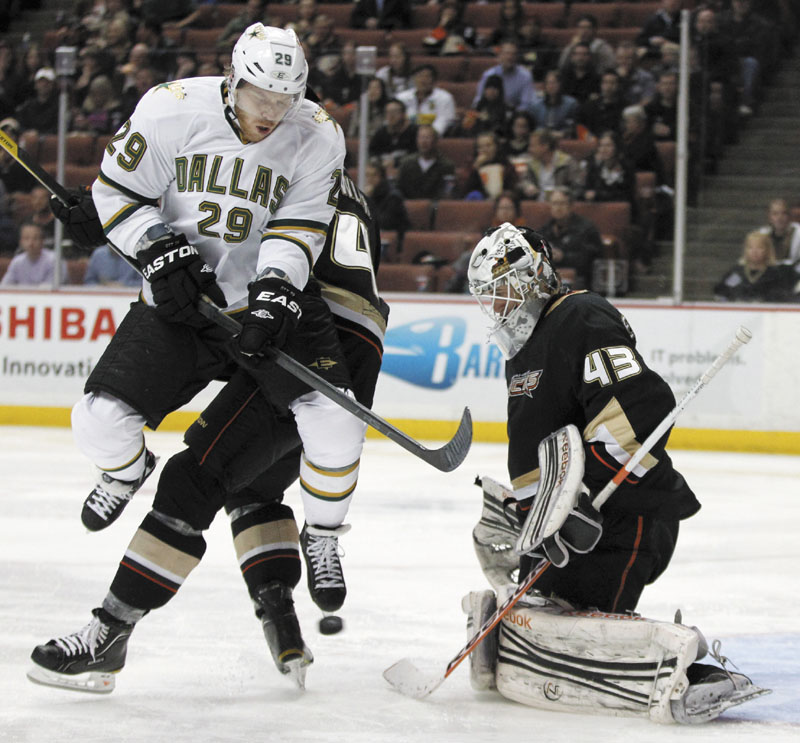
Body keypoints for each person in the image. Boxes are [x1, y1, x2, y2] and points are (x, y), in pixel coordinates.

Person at [48, 24, 367, 635]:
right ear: (232, 79)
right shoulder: (171, 109)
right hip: (183, 303)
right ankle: (124, 471)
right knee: (97, 420)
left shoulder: (318, 133)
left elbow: (299, 227)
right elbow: (115, 193)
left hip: (267, 303)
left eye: (283, 100)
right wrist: (158, 247)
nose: (270, 114)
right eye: (258, 98)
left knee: (336, 419)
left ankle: (324, 533)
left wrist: (274, 294)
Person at [28, 172, 388, 693]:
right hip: (350, 338)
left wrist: (106, 217)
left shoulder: (279, 166)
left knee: (194, 480)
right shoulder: (350, 186)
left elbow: (208, 224)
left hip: (297, 331)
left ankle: (110, 632)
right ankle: (280, 615)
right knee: (254, 482)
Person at [463, 222, 766, 723]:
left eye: (505, 292)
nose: (498, 308)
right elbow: (541, 451)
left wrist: (579, 495)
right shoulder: (519, 354)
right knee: (542, 610)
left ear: (536, 276)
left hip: (625, 515)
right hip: (576, 522)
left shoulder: (582, 317)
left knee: (587, 622)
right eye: (489, 299)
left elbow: (640, 410)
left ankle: (697, 676)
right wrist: (527, 519)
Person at [538, 186, 603, 288]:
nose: (558, 208)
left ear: (571, 206)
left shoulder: (586, 228)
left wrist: (563, 257)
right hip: (548, 281)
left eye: (562, 203)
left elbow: (591, 257)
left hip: (580, 280)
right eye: (554, 203)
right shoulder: (544, 230)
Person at [471, 40, 538, 112]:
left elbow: (526, 104)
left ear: (517, 57)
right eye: (507, 53)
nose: (510, 57)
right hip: (491, 114)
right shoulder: (489, 75)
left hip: (514, 115)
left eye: (513, 54)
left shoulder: (525, 76)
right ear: (499, 55)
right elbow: (478, 99)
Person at [517, 128, 582, 202]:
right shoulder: (532, 163)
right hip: (539, 205)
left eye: (532, 146)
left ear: (545, 146)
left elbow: (578, 188)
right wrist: (527, 186)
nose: (529, 149)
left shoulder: (567, 162)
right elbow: (524, 181)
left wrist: (563, 194)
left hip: (561, 206)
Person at [395, 124, 455, 200]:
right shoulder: (406, 164)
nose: (424, 141)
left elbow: (448, 192)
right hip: (409, 208)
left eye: (427, 138)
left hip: (435, 208)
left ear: (435, 141)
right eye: (421, 137)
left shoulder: (447, 166)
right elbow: (398, 189)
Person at [396, 64, 457, 137]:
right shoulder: (401, 97)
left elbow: (443, 122)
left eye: (427, 77)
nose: (423, 80)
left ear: (434, 81)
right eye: (419, 76)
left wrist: (425, 136)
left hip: (432, 139)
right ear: (414, 79)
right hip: (405, 137)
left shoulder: (445, 98)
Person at [459, 131, 517, 201]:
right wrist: (475, 167)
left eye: (488, 145)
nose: (484, 150)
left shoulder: (505, 164)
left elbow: (512, 187)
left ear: (496, 147)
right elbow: (463, 189)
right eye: (480, 147)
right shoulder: (471, 163)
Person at [0, 221, 61, 285]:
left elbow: (51, 288)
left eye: (35, 238)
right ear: (21, 241)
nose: (31, 243)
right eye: (26, 238)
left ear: (42, 240)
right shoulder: (17, 261)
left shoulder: (53, 260)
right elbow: (5, 286)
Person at [525, 69, 578, 138]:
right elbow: (532, 126)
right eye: (548, 83)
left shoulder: (571, 104)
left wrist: (563, 132)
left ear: (560, 84)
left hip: (562, 139)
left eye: (554, 83)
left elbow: (573, 126)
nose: (551, 86)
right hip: (541, 138)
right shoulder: (536, 105)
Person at [757, 198, 800, 263]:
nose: (780, 217)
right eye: (775, 214)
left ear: (789, 216)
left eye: (783, 213)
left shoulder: (798, 233)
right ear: (769, 217)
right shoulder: (762, 234)